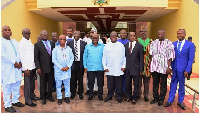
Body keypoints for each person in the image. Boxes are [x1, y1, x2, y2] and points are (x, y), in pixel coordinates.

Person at [164, 29, 195, 110]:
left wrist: (187, 70)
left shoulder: (190, 45)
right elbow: (170, 57)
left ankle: (180, 101)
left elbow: (190, 59)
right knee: (172, 84)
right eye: (178, 33)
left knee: (181, 86)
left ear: (184, 34)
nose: (179, 35)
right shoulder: (173, 44)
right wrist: (170, 67)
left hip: (183, 70)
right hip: (174, 69)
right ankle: (170, 100)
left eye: (181, 33)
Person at [1, 25, 25, 113]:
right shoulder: (1, 42)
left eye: (9, 30)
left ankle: (15, 100)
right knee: (7, 86)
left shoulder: (15, 41)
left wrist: (20, 62)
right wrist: (13, 62)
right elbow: (2, 54)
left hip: (17, 67)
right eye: (5, 30)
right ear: (2, 32)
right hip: (8, 67)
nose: (7, 31)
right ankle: (7, 105)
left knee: (16, 84)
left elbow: (19, 53)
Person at [149, 29, 175, 106]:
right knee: (155, 83)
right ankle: (155, 98)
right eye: (158, 34)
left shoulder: (169, 43)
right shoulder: (154, 43)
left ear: (164, 34)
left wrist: (169, 67)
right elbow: (151, 55)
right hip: (155, 67)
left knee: (163, 84)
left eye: (161, 34)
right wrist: (151, 67)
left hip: (164, 67)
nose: (160, 35)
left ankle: (161, 99)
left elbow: (171, 56)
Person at [102, 31, 126, 103]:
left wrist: (123, 66)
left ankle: (119, 96)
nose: (114, 37)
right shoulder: (106, 46)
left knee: (119, 84)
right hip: (110, 68)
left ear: (117, 36)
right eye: (112, 36)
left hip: (119, 68)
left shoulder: (121, 45)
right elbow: (104, 57)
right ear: (110, 37)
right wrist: (105, 67)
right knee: (110, 84)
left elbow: (124, 57)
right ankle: (109, 95)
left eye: (115, 36)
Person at [18, 28, 39, 107]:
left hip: (32, 66)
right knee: (27, 84)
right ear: (22, 34)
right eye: (26, 33)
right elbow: (22, 57)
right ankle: (27, 100)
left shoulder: (29, 42)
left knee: (32, 83)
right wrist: (25, 68)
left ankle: (32, 95)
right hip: (27, 68)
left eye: (29, 33)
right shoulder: (21, 43)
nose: (28, 34)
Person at [34, 30, 55, 105]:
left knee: (50, 83)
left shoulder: (52, 43)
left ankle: (49, 96)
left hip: (51, 67)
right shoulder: (37, 44)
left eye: (46, 34)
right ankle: (43, 97)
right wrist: (38, 68)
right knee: (42, 83)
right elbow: (36, 57)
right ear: (41, 35)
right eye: (43, 34)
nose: (45, 35)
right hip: (42, 68)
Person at [52, 35, 74, 105]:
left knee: (67, 84)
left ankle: (67, 97)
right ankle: (59, 98)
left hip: (67, 70)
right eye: (61, 39)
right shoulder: (55, 49)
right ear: (59, 40)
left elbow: (72, 58)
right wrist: (61, 67)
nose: (62, 40)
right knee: (58, 85)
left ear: (65, 40)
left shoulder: (69, 49)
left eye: (63, 39)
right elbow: (54, 60)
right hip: (59, 70)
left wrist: (68, 66)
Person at [83, 33, 105, 101]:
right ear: (91, 38)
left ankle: (100, 95)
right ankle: (90, 95)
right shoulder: (87, 47)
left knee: (100, 82)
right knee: (90, 82)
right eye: (93, 38)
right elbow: (85, 57)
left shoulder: (103, 46)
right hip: (90, 67)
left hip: (100, 67)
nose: (95, 39)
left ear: (98, 39)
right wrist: (85, 66)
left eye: (96, 38)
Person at [124, 32, 144, 105]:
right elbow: (124, 57)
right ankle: (129, 96)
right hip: (127, 69)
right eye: (130, 36)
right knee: (127, 84)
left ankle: (135, 98)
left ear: (135, 37)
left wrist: (141, 70)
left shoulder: (139, 46)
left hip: (136, 69)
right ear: (128, 37)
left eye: (133, 36)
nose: (132, 37)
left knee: (136, 85)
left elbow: (141, 59)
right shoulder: (125, 45)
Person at [67, 31, 87, 100]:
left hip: (80, 64)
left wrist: (85, 65)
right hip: (72, 63)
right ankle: (73, 93)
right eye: (75, 34)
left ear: (80, 35)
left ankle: (80, 93)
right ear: (73, 35)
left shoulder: (84, 43)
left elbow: (85, 55)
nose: (76, 35)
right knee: (72, 80)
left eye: (78, 34)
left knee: (80, 80)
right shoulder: (69, 43)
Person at [137, 26, 152, 102]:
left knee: (146, 82)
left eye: (145, 31)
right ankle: (138, 94)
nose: (143, 33)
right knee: (138, 81)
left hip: (147, 65)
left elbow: (152, 54)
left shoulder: (151, 41)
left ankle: (146, 95)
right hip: (138, 64)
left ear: (147, 32)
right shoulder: (137, 40)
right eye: (141, 31)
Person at [117, 29, 129, 94]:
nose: (123, 34)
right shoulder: (117, 41)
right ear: (119, 34)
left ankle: (124, 92)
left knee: (125, 79)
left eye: (124, 33)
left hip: (126, 63)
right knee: (118, 78)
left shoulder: (128, 42)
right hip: (118, 63)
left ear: (126, 34)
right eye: (122, 33)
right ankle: (118, 91)